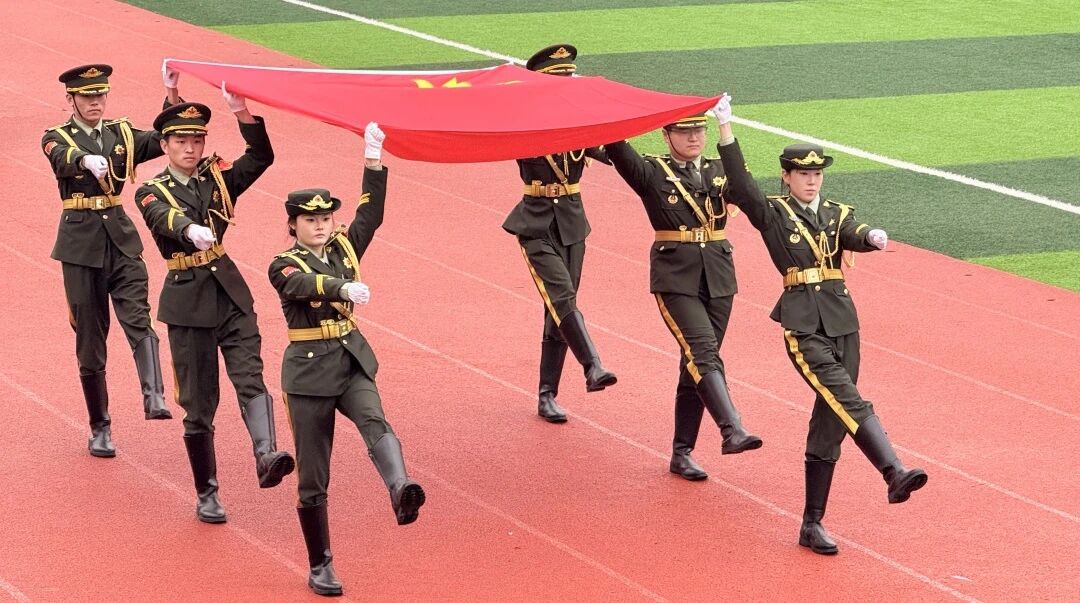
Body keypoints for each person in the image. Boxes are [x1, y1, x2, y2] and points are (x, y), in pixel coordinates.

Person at [713, 95, 928, 555]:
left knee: (830, 420)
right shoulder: (773, 211)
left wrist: (870, 238)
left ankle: (812, 524)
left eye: (817, 174)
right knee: (846, 397)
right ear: (786, 176)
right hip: (803, 322)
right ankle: (892, 470)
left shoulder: (835, 212)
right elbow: (742, 187)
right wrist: (726, 131)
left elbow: (852, 232)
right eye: (802, 173)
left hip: (843, 321)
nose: (811, 180)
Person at [268, 123, 425, 596]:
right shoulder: (283, 263)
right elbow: (300, 284)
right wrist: (341, 288)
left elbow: (370, 215)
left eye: (326, 218)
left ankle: (400, 489)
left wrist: (373, 160)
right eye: (310, 219)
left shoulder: (343, 248)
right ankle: (320, 564)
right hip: (308, 373)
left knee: (376, 420)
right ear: (293, 225)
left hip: (349, 358)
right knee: (314, 475)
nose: (321, 225)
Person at [133, 72, 293, 524]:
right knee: (199, 404)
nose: (190, 148)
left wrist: (241, 111)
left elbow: (261, 157)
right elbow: (161, 217)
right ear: (165, 145)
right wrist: (189, 230)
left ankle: (266, 454)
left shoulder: (218, 177)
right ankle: (207, 492)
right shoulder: (151, 190)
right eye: (180, 140)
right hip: (188, 302)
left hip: (229, 292)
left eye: (196, 140)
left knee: (250, 375)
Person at [604, 105, 762, 480]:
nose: (694, 137)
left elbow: (749, 196)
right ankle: (731, 428)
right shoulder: (652, 172)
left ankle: (682, 453)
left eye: (699, 130)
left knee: (697, 364)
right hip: (676, 276)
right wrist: (603, 104)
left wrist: (726, 130)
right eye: (684, 131)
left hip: (718, 276)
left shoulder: (719, 169)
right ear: (666, 135)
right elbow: (617, 147)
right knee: (703, 352)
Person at [41, 63, 173, 458]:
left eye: (100, 94)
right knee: (90, 337)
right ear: (71, 99)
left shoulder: (122, 133)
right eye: (87, 96)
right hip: (80, 246)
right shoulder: (57, 135)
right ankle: (100, 426)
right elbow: (59, 154)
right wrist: (84, 160)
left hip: (120, 239)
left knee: (138, 315)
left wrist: (172, 96)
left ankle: (154, 394)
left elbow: (164, 138)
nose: (95, 102)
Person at [502, 43, 617, 423]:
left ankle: (546, 394)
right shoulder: (523, 122)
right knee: (562, 295)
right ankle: (592, 365)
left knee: (558, 309)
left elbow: (611, 153)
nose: (565, 85)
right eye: (557, 80)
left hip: (571, 221)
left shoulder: (580, 121)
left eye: (569, 78)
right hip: (535, 221)